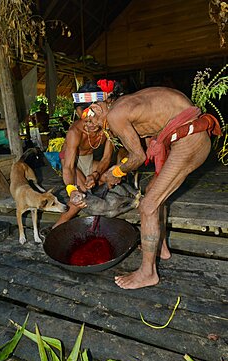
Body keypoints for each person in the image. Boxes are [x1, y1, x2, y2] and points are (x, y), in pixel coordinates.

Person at [78, 85, 221, 289]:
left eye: (89, 117)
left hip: (190, 141)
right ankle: (160, 248)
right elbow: (144, 142)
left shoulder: (116, 115)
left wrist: (116, 172)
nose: (91, 124)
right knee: (153, 192)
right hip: (190, 137)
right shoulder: (124, 105)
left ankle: (148, 273)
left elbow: (139, 157)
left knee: (147, 206)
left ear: (97, 108)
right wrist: (119, 168)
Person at [52, 81, 121, 228]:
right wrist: (71, 190)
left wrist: (95, 174)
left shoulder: (108, 127)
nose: (88, 124)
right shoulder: (75, 132)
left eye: (91, 118)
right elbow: (68, 167)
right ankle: (56, 228)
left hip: (88, 161)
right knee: (80, 196)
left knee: (108, 177)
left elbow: (106, 158)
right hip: (71, 162)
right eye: (83, 119)